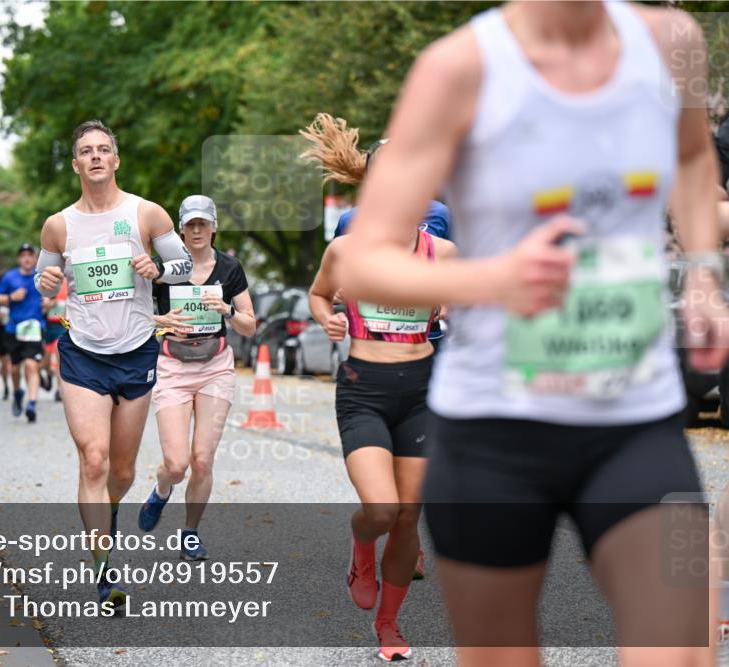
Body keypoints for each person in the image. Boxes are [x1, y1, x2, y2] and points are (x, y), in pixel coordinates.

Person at [341, 2, 726, 665]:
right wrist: (492, 279)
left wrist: (702, 276)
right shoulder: (457, 69)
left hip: (633, 418)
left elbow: (693, 161)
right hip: (495, 433)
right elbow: (362, 257)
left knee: (684, 637)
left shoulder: (671, 42)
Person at [303, 115, 456, 661]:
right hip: (364, 387)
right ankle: (362, 541)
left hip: (421, 389)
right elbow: (319, 295)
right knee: (382, 509)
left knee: (411, 515)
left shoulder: (443, 253)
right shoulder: (346, 250)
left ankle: (389, 625)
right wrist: (328, 319)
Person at [34, 119, 193, 607]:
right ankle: (103, 573)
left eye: (105, 149)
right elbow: (45, 275)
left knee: (121, 473)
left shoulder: (146, 214)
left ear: (116, 160)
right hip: (82, 352)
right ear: (76, 163)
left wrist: (159, 268)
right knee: (95, 459)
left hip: (137, 350)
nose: (97, 156)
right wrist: (46, 282)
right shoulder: (59, 224)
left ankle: (109, 511)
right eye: (87, 151)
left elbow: (184, 264)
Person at [137, 195, 256, 559]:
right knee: (177, 464)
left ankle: (190, 532)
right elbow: (133, 312)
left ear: (214, 227)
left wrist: (228, 309)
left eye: (204, 223)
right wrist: (161, 320)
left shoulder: (230, 268)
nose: (198, 230)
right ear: (181, 229)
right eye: (191, 224)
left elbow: (250, 326)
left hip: (215, 366)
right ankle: (161, 491)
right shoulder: (162, 269)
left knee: (202, 460)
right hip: (172, 365)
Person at [311, 121, 454, 354]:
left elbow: (458, 271)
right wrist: (337, 298)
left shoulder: (439, 213)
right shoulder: (350, 221)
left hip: (426, 341)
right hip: (371, 346)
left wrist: (444, 305)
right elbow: (330, 284)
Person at [0, 244, 48, 423]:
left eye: (30, 255)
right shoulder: (10, 277)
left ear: (35, 258)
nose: (26, 259)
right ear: (19, 259)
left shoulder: (41, 277)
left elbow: (52, 295)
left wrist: (48, 301)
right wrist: (11, 297)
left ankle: (32, 404)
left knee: (31, 365)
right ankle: (17, 392)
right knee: (14, 368)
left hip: (34, 327)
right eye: (23, 255)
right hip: (14, 328)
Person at [42, 277, 68, 402]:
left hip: (62, 325)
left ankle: (60, 390)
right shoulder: (49, 281)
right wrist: (48, 304)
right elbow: (43, 305)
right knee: (45, 361)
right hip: (48, 325)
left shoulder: (71, 283)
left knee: (59, 356)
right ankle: (48, 374)